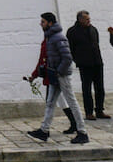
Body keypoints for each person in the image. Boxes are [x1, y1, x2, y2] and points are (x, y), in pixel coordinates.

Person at [26, 13, 88, 144]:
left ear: (50, 23)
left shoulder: (58, 38)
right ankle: (44, 130)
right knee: (50, 103)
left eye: (43, 22)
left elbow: (67, 58)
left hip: (61, 75)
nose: (40, 24)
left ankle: (82, 132)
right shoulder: (50, 37)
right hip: (54, 74)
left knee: (72, 102)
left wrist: (59, 72)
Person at [22, 33, 76, 135]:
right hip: (52, 76)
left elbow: (63, 58)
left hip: (54, 76)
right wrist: (34, 75)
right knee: (60, 101)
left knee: (53, 103)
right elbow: (42, 60)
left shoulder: (53, 42)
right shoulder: (48, 41)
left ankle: (45, 130)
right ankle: (74, 124)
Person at [66, 9, 109, 120]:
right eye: (86, 19)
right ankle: (89, 112)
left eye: (89, 19)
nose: (89, 21)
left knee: (100, 88)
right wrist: (78, 60)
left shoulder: (93, 29)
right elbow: (70, 48)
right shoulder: (72, 32)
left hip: (97, 62)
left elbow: (96, 43)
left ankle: (100, 110)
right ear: (80, 19)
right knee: (87, 89)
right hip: (85, 64)